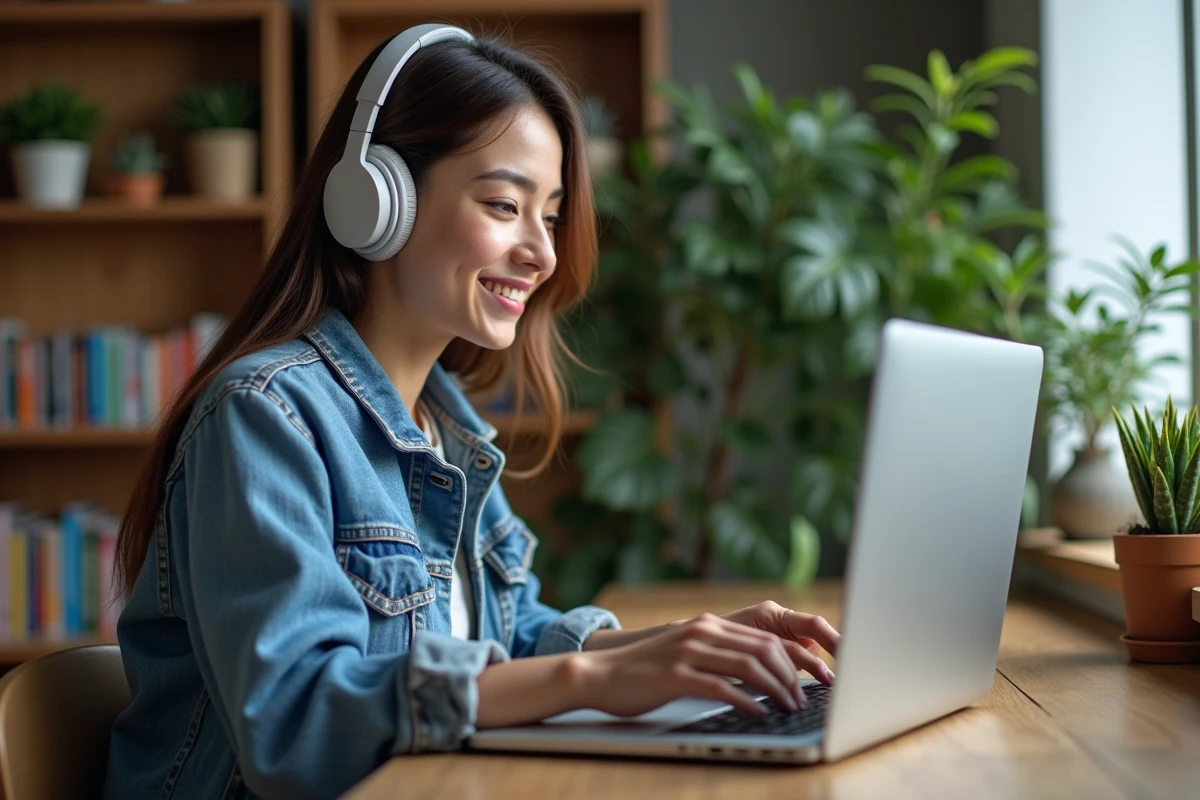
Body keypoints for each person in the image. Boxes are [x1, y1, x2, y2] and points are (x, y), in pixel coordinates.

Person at [102, 26, 840, 800]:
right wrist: (591, 678)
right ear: (374, 197)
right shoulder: (263, 416)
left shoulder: (443, 431)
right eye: (503, 204)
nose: (543, 253)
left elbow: (508, 640)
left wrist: (688, 646)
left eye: (549, 215)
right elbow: (297, 725)